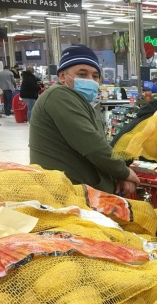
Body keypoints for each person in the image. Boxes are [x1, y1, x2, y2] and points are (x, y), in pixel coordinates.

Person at [29, 44, 140, 195]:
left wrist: (117, 174)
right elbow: (93, 145)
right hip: (65, 195)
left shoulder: (83, 103)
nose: (90, 80)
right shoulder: (58, 96)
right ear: (62, 76)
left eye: (95, 76)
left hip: (81, 192)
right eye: (82, 74)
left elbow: (100, 145)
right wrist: (124, 172)